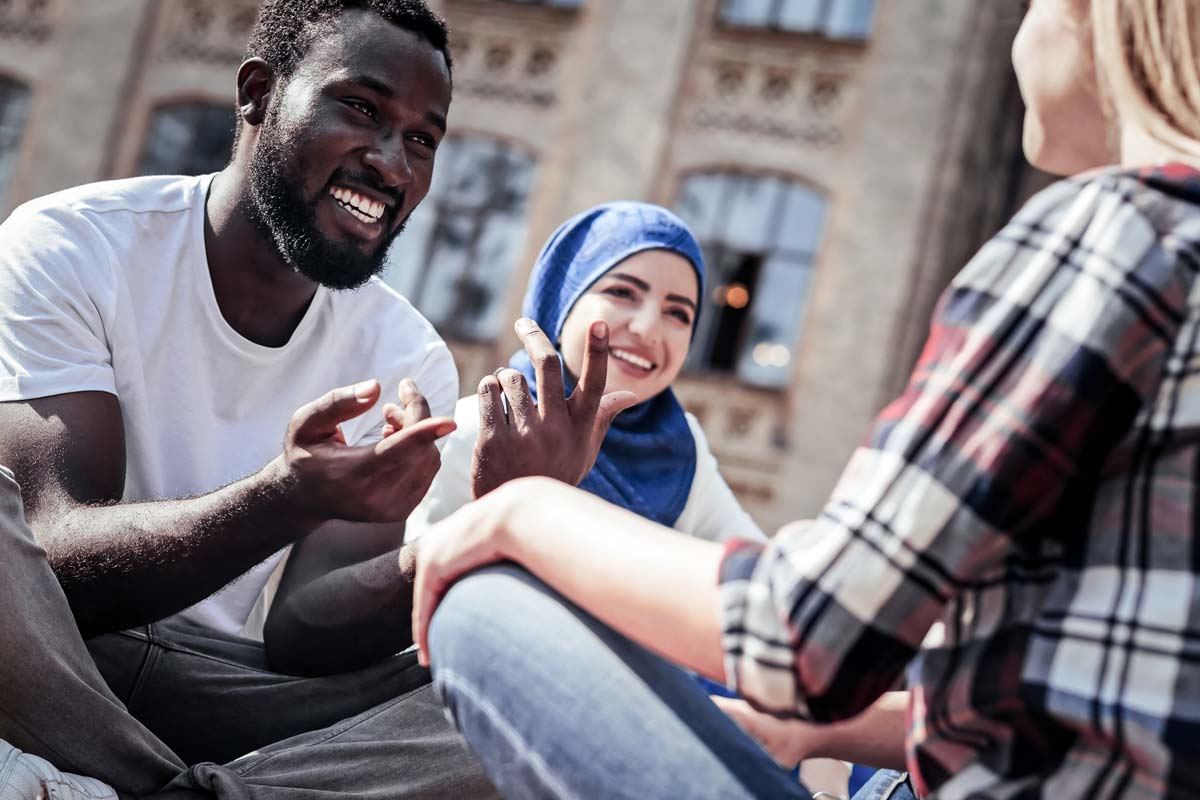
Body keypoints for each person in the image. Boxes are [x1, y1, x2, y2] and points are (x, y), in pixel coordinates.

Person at [410, 0, 1200, 798]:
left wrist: (525, 510)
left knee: (487, 609)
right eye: (623, 293)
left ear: (1099, 18)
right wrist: (822, 729)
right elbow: (1061, 688)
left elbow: (811, 632)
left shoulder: (1112, 235)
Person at [0, 0, 625, 797]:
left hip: (228, 691)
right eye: (363, 108)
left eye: (423, 140)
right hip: (47, 659)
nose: (394, 165)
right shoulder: (72, 245)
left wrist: (488, 526)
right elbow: (53, 553)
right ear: (258, 94)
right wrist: (281, 499)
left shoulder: (405, 356)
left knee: (546, 687)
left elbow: (305, 637)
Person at [407, 201, 767, 544]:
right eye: (623, 292)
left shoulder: (681, 448)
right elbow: (415, 584)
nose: (648, 329)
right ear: (561, 306)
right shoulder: (484, 427)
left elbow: (757, 569)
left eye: (678, 313)